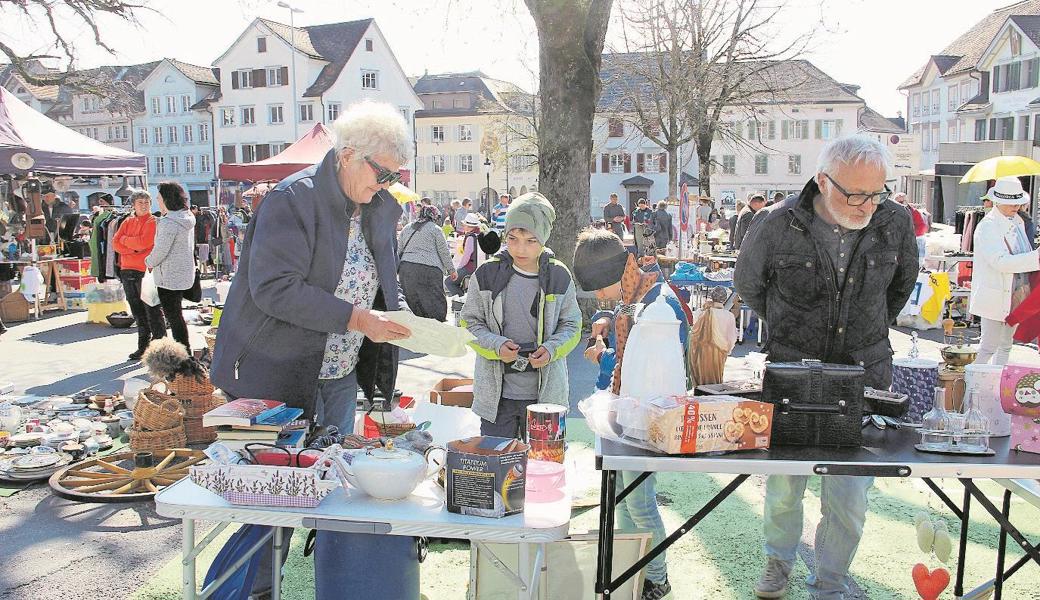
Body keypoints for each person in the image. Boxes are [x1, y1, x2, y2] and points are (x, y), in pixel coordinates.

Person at [211, 101, 412, 597]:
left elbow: (382, 278)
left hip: (340, 372)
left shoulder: (380, 206)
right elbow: (274, 288)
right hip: (279, 373)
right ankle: (246, 591)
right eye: (381, 171)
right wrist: (357, 318)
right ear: (348, 155)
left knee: (333, 490)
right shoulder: (291, 198)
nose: (386, 182)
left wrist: (404, 316)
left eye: (394, 173)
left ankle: (334, 583)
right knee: (270, 505)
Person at [735, 136, 918, 600]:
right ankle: (778, 561)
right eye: (854, 194)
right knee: (783, 486)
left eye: (876, 193)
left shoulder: (894, 221)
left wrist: (866, 326)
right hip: (793, 372)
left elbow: (900, 287)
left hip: (865, 373)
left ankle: (831, 580)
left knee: (850, 495)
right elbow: (750, 286)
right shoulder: (776, 222)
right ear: (821, 180)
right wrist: (791, 327)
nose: (865, 206)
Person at [573, 228, 691, 600]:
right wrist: (609, 317)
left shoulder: (654, 309)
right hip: (632, 418)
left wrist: (605, 359)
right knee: (624, 499)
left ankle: (656, 578)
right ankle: (629, 570)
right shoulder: (639, 294)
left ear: (612, 275)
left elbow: (648, 377)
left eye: (598, 288)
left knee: (638, 501)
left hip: (645, 419)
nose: (596, 297)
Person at [461, 192, 581, 437]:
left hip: (546, 397)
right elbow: (468, 322)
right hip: (497, 399)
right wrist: (496, 345)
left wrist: (551, 349)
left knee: (544, 469)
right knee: (498, 467)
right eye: (513, 238)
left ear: (544, 238)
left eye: (530, 240)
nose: (520, 248)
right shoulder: (487, 273)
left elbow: (572, 324)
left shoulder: (559, 275)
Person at [969, 176, 1040, 366]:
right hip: (996, 294)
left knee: (1005, 345)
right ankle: (975, 389)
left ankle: (995, 386)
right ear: (998, 201)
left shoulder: (1018, 222)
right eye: (1011, 203)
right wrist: (1036, 258)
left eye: (1017, 203)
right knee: (988, 346)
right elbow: (999, 261)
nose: (1015, 207)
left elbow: (1022, 253)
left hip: (1015, 293)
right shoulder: (988, 226)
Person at [111, 190, 167, 361]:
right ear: (133, 205)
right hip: (127, 269)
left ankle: (160, 347)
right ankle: (143, 347)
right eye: (140, 203)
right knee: (137, 312)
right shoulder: (127, 221)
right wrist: (133, 246)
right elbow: (115, 243)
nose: (143, 206)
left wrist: (127, 242)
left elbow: (144, 243)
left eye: (146, 202)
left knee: (152, 310)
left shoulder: (153, 221)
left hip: (145, 271)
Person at [145, 182, 197, 351]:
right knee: (177, 316)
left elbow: (160, 251)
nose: (157, 202)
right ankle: (184, 353)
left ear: (166, 199)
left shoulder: (169, 223)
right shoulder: (186, 217)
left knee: (174, 318)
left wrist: (148, 262)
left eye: (159, 198)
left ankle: (183, 355)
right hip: (183, 274)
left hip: (168, 277)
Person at [398, 203, 456, 321]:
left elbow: (398, 249)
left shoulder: (407, 228)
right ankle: (436, 327)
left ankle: (413, 328)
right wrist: (451, 270)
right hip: (430, 269)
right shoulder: (435, 229)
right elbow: (444, 251)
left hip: (407, 268)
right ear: (434, 216)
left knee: (411, 299)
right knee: (434, 300)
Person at [690, 286, 738, 385]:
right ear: (725, 299)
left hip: (701, 352)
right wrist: (727, 350)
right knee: (715, 380)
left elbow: (694, 332)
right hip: (719, 353)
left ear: (712, 297)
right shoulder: (729, 316)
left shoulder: (701, 312)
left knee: (701, 380)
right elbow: (732, 338)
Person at [446, 212, 483, 297]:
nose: (463, 226)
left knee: (448, 282)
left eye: (464, 225)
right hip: (479, 266)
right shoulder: (480, 235)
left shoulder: (470, 237)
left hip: (470, 268)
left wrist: (458, 268)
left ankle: (461, 298)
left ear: (469, 226)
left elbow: (466, 256)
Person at [894, 192, 929, 259]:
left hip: (915, 238)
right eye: (897, 202)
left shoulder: (914, 212)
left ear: (906, 202)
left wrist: (909, 235)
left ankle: (919, 265)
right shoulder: (892, 212)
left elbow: (921, 228)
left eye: (901, 202)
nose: (899, 204)